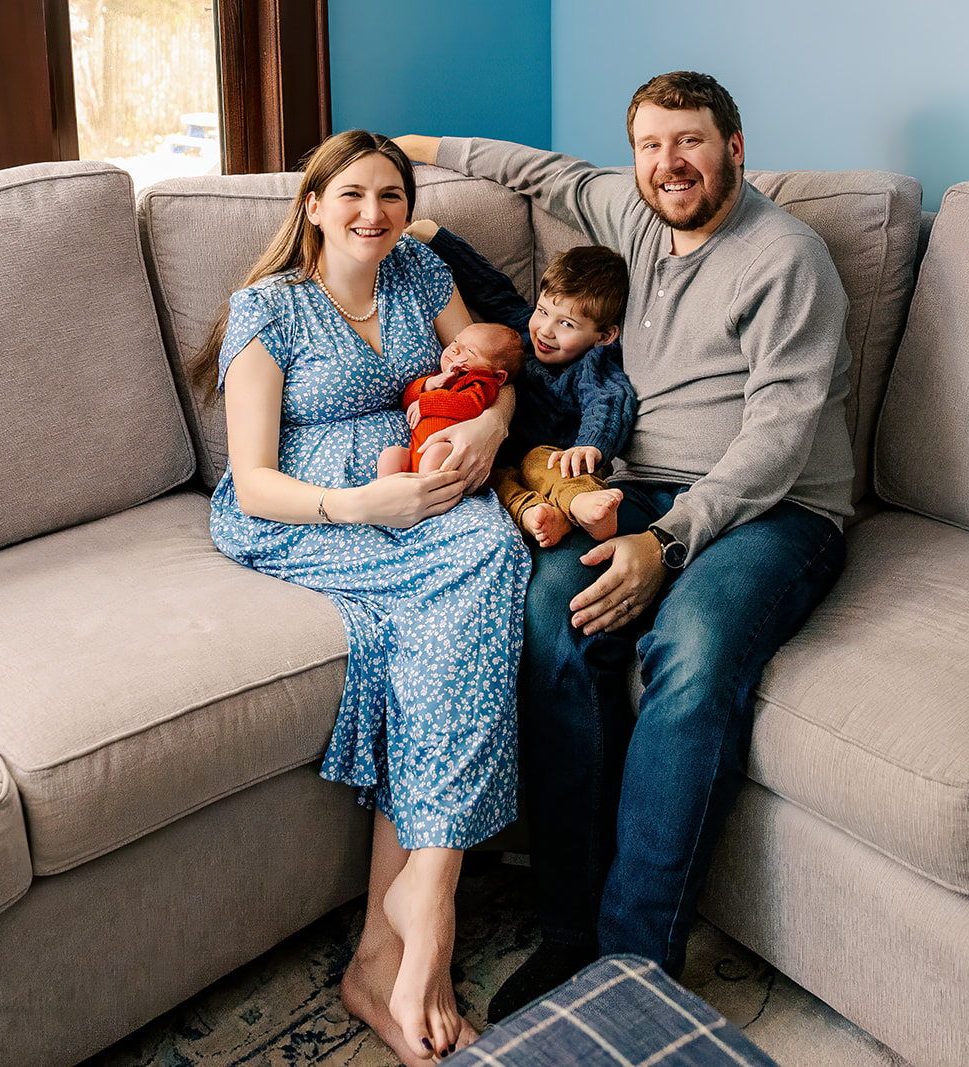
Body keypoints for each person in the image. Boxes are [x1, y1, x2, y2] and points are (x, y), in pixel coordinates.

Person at [394, 69, 854, 1019]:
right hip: (632, 491)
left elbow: (779, 438)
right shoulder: (631, 212)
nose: (666, 163)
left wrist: (671, 544)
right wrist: (409, 151)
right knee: (552, 613)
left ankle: (634, 963)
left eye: (688, 141)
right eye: (649, 144)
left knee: (689, 652)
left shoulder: (786, 258)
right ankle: (569, 925)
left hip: (777, 509)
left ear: (733, 146)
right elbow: (531, 168)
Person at [185, 129, 529, 1064]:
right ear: (313, 205)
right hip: (311, 508)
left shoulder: (419, 272)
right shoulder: (269, 309)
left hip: (422, 487)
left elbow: (494, 371)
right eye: (353, 196)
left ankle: (393, 938)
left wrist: (491, 431)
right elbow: (250, 479)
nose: (373, 213)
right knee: (467, 583)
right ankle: (432, 905)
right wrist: (359, 504)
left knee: (490, 557)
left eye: (389, 195)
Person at [406, 219, 637, 546]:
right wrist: (437, 238)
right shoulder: (520, 337)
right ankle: (540, 516)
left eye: (567, 324)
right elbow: (489, 287)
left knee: (541, 463)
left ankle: (583, 504)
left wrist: (592, 446)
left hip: (557, 461)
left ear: (604, 335)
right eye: (543, 312)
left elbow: (610, 401)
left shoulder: (592, 365)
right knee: (495, 481)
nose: (545, 330)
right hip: (505, 460)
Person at [378, 321, 524, 476]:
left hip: (450, 454)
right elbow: (408, 403)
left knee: (436, 452)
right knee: (391, 456)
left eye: (470, 351)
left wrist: (427, 403)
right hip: (417, 453)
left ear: (498, 376)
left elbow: (470, 405)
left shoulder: (482, 383)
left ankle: (428, 495)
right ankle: (390, 495)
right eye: (456, 341)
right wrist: (431, 383)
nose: (454, 348)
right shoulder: (441, 379)